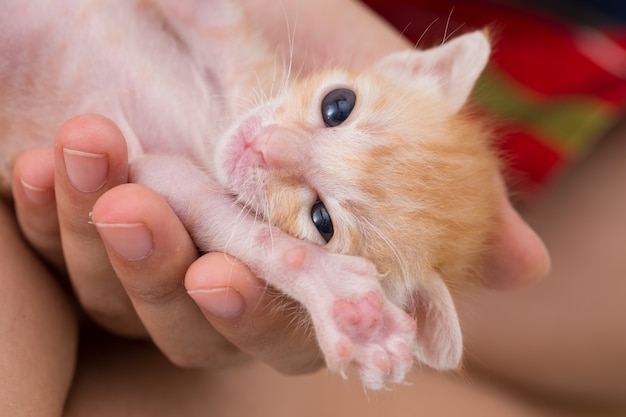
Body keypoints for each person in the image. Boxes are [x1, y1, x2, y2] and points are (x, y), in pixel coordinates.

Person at [2, 0, 624, 415]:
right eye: (337, 110)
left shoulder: (202, 184)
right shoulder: (257, 72)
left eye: (321, 218)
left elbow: (164, 182)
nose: (271, 147)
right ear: (413, 69)